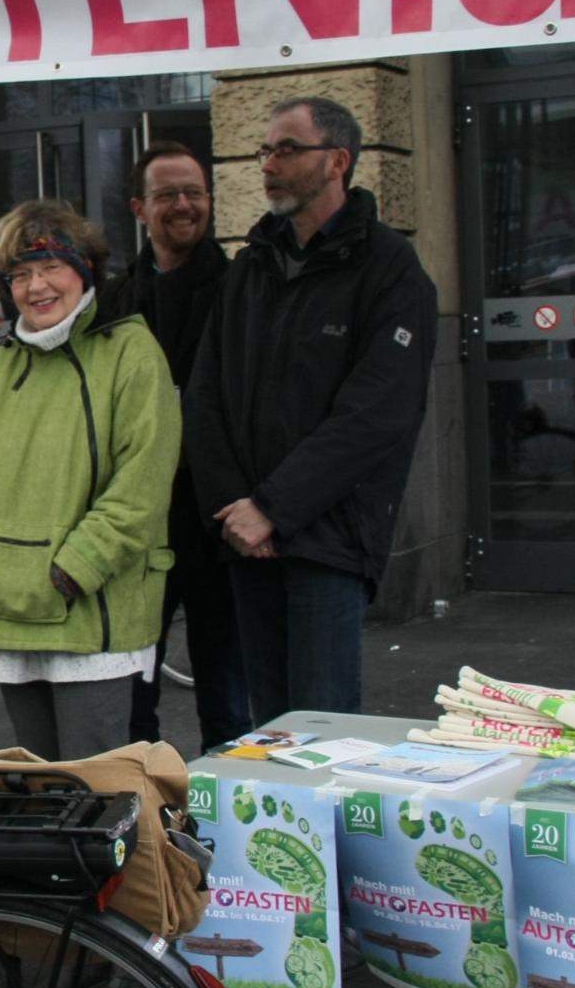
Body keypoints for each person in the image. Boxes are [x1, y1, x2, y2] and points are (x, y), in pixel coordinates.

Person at [184, 96, 437, 720]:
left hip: (327, 540)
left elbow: (376, 414)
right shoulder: (252, 267)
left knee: (322, 733)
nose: (268, 163)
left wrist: (275, 508)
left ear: (337, 162)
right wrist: (236, 512)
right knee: (270, 731)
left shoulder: (390, 271)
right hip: (245, 540)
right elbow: (206, 394)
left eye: (287, 149)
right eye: (265, 149)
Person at [0, 200, 180, 761]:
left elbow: (141, 483)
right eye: (19, 274)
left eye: (50, 267)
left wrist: (74, 569)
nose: (35, 286)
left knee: (95, 792)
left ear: (85, 270)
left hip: (92, 611)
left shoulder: (131, 353)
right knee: (43, 789)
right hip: (7, 608)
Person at [100, 141, 251, 754]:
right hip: (137, 525)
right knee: (134, 700)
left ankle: (232, 834)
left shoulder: (243, 287)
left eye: (195, 193)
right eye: (168, 195)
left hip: (217, 518)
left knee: (229, 702)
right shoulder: (112, 299)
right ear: (140, 207)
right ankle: (148, 828)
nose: (184, 205)